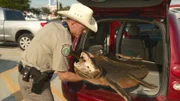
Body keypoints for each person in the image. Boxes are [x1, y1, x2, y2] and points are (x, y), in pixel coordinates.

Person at [17, 3, 97, 101]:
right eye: (84, 28)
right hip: (34, 83)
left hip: (26, 76)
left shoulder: (55, 25)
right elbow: (63, 76)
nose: (85, 32)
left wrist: (82, 55)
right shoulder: (64, 40)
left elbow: (56, 48)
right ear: (73, 23)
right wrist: (89, 78)